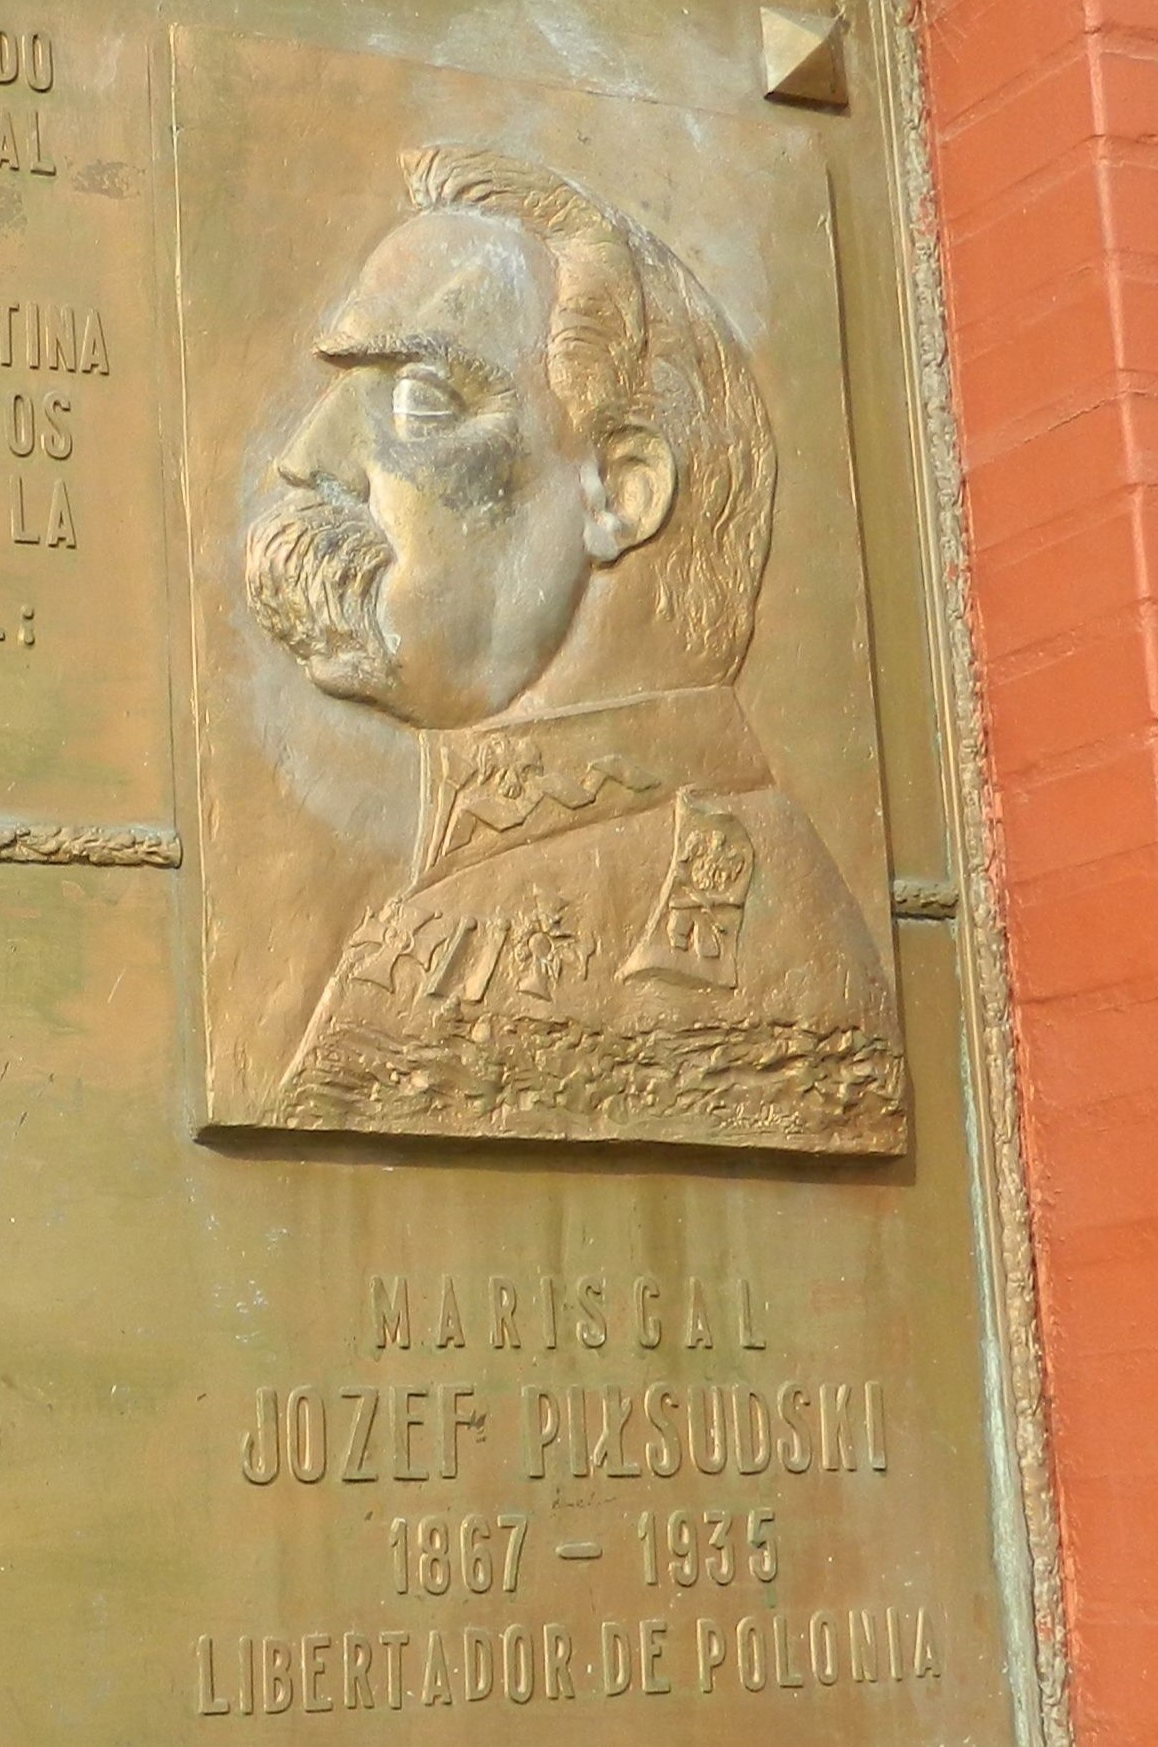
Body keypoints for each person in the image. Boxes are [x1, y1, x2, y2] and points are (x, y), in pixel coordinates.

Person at [243, 142, 904, 1151]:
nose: (305, 463)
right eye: (342, 395)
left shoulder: (739, 956)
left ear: (620, 492)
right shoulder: (472, 897)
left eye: (424, 397)